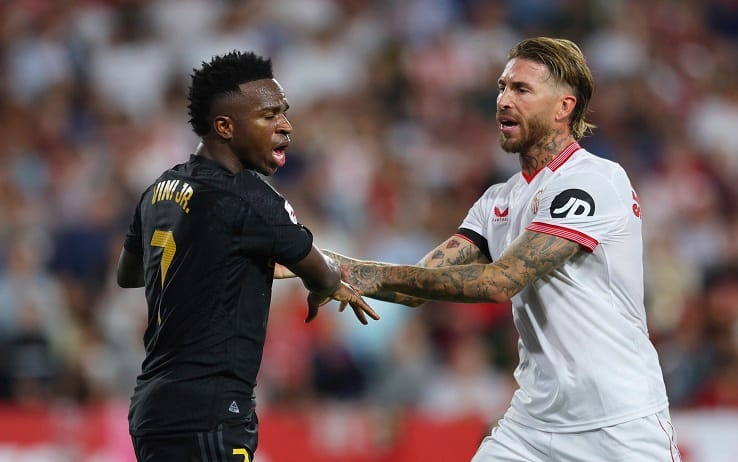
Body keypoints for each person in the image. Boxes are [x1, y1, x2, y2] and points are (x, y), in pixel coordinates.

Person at [327, 37, 682, 461]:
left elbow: (501, 281)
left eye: (521, 90)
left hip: (618, 423)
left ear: (563, 106)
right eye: (501, 87)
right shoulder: (497, 200)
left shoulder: (594, 180)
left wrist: (367, 275)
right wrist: (322, 264)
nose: (504, 100)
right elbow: (418, 286)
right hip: (532, 427)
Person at [116, 50, 379, 462]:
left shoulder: (159, 189)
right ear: (224, 126)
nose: (286, 127)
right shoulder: (249, 198)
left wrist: (218, 260)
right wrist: (324, 283)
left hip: (153, 405)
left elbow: (130, 274)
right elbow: (323, 275)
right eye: (269, 115)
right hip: (211, 409)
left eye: (284, 113)